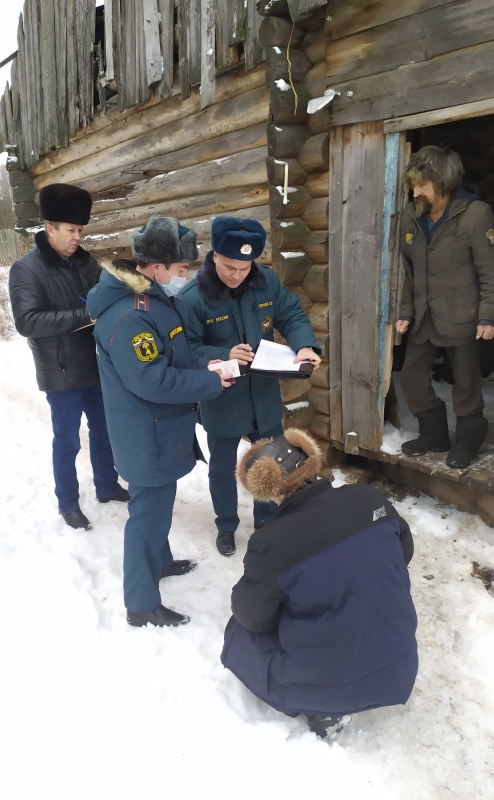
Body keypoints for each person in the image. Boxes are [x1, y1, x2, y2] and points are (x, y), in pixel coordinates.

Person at [221, 428, 418, 741]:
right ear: (311, 465)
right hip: (401, 666)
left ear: (270, 492)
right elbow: (403, 552)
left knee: (237, 636)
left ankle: (326, 709)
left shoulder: (271, 543)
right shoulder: (369, 497)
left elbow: (253, 617)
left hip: (335, 681)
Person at [86, 215, 232, 627]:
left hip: (159, 430)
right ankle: (141, 603)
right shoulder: (130, 318)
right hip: (145, 433)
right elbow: (153, 379)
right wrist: (210, 382)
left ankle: (161, 562)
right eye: (181, 269)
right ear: (155, 267)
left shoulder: (156, 301)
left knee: (159, 506)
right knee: (147, 515)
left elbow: (177, 355)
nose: (185, 277)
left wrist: (216, 361)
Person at [179, 216, 321, 556]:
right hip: (224, 398)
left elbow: (292, 314)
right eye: (230, 266)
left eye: (244, 267)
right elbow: (186, 349)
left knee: (272, 461)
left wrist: (304, 345)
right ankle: (226, 525)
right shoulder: (193, 297)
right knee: (223, 467)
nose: (236, 274)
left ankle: (268, 519)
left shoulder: (266, 281)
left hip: (264, 395)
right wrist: (222, 353)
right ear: (214, 255)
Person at [9, 183, 127, 531]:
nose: (77, 236)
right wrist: (84, 316)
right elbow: (26, 321)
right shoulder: (26, 270)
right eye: (71, 230)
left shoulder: (86, 262)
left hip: (96, 365)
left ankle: (107, 485)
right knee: (67, 439)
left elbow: (106, 295)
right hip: (61, 371)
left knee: (105, 430)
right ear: (50, 228)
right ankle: (68, 502)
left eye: (80, 230)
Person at [396, 145, 494, 469]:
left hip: (464, 317)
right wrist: (407, 312)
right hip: (425, 316)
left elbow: (489, 272)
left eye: (421, 184)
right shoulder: (412, 216)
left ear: (442, 182)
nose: (414, 191)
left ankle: (468, 441)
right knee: (411, 379)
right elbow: (409, 272)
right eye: (413, 184)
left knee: (465, 384)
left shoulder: (475, 214)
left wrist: (487, 315)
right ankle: (434, 434)